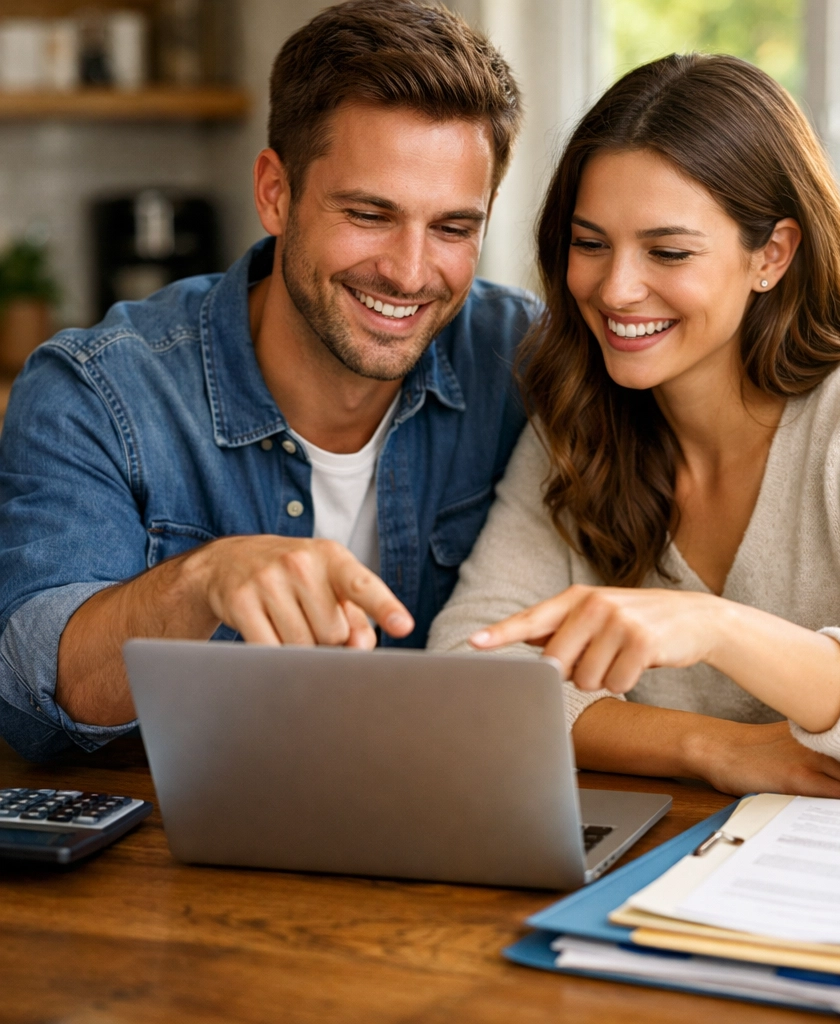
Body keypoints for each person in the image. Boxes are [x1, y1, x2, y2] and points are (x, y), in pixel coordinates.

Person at [428, 53, 840, 804]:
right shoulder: (579, 413)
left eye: (668, 251)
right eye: (590, 243)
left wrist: (718, 628)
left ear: (771, 254)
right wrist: (710, 747)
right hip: (673, 861)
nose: (615, 288)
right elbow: (467, 677)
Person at [0, 0, 534, 760]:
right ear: (275, 193)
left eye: (452, 228)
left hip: (451, 836)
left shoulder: (524, 360)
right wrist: (200, 582)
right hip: (180, 854)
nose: (412, 272)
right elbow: (36, 694)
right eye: (369, 214)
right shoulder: (96, 392)